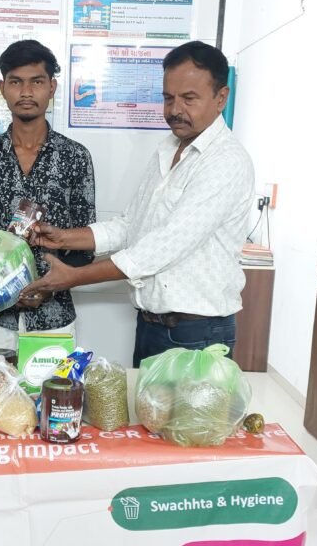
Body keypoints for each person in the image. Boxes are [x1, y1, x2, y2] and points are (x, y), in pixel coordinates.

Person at [23, 40, 254, 366]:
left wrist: (74, 276)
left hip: (197, 332)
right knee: (142, 403)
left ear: (221, 98)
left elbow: (160, 247)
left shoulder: (225, 161)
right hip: (151, 325)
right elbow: (130, 225)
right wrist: (64, 238)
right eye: (168, 98)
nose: (175, 110)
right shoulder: (168, 149)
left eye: (189, 98)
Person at [0, 39, 95, 351]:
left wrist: (50, 286)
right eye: (16, 82)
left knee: (52, 386)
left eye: (37, 82)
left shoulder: (75, 157)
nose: (26, 92)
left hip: (54, 315)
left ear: (52, 87)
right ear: (2, 88)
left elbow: (86, 242)